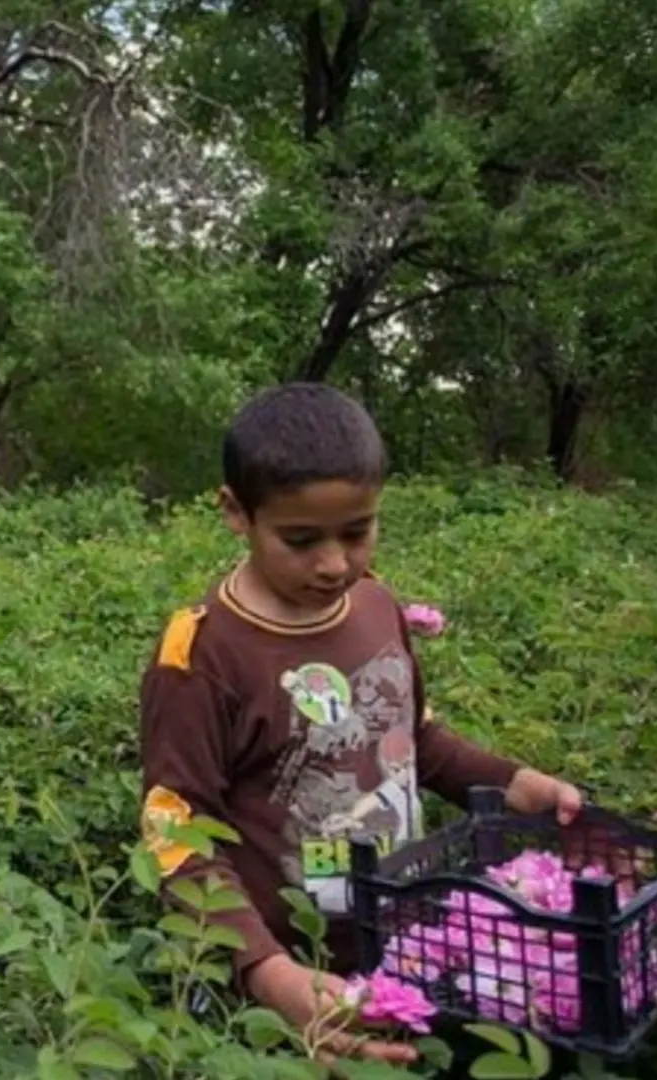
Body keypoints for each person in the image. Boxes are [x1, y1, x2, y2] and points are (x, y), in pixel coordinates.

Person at [136, 382, 583, 1067]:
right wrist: (265, 971)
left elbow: (415, 738)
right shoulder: (202, 656)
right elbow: (175, 827)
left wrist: (511, 783)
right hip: (282, 986)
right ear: (235, 512)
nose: (335, 563)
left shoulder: (376, 606)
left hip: (407, 952)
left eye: (358, 532)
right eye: (301, 539)